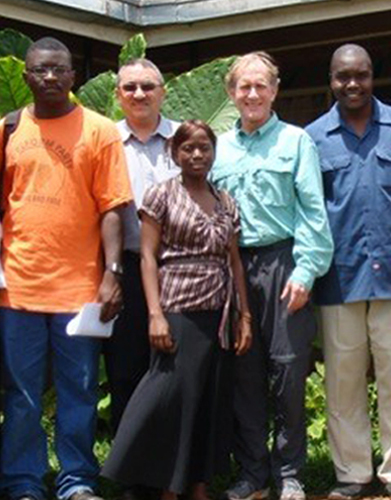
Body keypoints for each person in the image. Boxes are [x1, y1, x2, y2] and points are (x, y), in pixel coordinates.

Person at [0, 37, 131, 500]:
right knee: (22, 395)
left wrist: (112, 272)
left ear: (73, 77)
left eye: (59, 70)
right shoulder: (8, 130)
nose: (50, 77)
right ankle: (23, 482)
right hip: (17, 290)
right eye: (40, 70)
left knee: (78, 393)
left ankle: (76, 481)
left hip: (79, 290)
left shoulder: (99, 130)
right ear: (26, 77)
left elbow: (113, 207)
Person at [102, 120, 252, 500]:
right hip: (177, 308)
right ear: (174, 153)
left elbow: (233, 260)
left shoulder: (225, 200)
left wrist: (244, 316)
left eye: (204, 147)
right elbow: (148, 258)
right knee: (172, 397)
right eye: (188, 148)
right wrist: (154, 313)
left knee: (207, 399)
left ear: (213, 152)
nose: (197, 155)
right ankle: (164, 483)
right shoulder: (161, 196)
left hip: (218, 312)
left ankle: (198, 483)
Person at [306, 43, 391, 500]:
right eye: (343, 77)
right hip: (339, 276)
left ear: (372, 75)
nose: (352, 84)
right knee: (343, 380)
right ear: (331, 80)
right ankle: (353, 471)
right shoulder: (314, 137)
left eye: (360, 75)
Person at [211, 51, 334, 500]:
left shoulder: (295, 141)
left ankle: (290, 473)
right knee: (244, 375)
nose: (252, 93)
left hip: (284, 265)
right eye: (244, 86)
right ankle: (252, 474)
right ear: (231, 93)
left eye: (261, 85)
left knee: (287, 373)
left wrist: (306, 271)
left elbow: (313, 213)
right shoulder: (218, 148)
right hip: (235, 270)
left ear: (275, 90)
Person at [103, 58, 180, 437]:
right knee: (126, 370)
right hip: (126, 271)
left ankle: (175, 474)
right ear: (118, 96)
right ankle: (131, 475)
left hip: (182, 273)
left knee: (178, 371)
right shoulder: (104, 142)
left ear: (163, 92)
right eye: (130, 87)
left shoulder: (186, 140)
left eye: (148, 86)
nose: (139, 94)